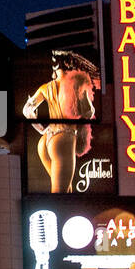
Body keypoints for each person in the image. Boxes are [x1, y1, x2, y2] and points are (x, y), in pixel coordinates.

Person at [22, 50, 99, 193]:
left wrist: (42, 130)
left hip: (45, 141)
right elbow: (89, 111)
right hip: (64, 138)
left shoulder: (45, 87)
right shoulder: (77, 83)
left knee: (66, 192)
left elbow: (27, 110)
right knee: (60, 194)